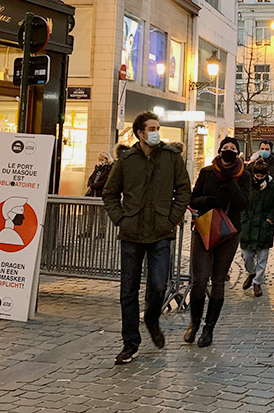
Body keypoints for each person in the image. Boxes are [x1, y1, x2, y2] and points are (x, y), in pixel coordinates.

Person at [103, 112, 191, 364]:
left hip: (160, 232)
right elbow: (110, 193)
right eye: (151, 128)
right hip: (132, 233)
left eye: (158, 127)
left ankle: (152, 318)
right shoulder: (127, 159)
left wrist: (171, 217)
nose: (156, 132)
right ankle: (130, 343)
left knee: (158, 285)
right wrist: (121, 219)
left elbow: (183, 189)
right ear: (140, 133)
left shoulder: (171, 157)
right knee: (128, 292)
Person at [187, 137, 250, 347]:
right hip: (205, 228)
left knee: (218, 280)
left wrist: (230, 181)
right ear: (219, 151)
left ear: (238, 153)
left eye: (233, 149)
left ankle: (209, 328)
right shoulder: (206, 172)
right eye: (225, 148)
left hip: (229, 231)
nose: (228, 151)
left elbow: (243, 204)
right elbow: (192, 198)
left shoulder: (244, 175)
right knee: (200, 279)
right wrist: (206, 201)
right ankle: (194, 323)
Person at [239, 157, 274, 297]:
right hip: (248, 225)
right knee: (247, 256)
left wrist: (269, 220)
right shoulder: (248, 185)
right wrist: (243, 218)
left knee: (262, 258)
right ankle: (251, 273)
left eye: (262, 176)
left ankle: (257, 282)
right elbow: (242, 202)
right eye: (257, 175)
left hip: (264, 226)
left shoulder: (273, 187)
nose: (259, 178)